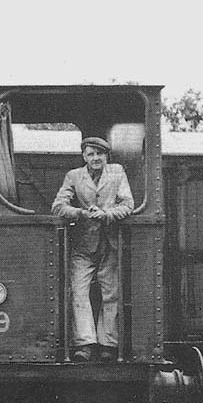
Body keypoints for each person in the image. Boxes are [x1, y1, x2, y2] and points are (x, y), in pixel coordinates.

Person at [51, 136, 134, 362]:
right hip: (83, 244)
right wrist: (80, 213)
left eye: (99, 154)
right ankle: (85, 344)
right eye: (91, 154)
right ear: (84, 157)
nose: (95, 158)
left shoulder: (117, 172)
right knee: (79, 292)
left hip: (109, 242)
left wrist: (107, 215)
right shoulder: (74, 176)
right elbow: (58, 206)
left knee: (111, 293)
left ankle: (108, 344)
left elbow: (128, 204)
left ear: (106, 156)